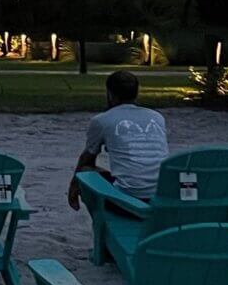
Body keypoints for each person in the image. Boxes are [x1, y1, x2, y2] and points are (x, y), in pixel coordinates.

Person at [68, 70, 169, 210]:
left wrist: (73, 186)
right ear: (136, 93)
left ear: (110, 94)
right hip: (161, 192)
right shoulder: (157, 117)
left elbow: (87, 159)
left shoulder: (102, 120)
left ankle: (102, 216)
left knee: (85, 171)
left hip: (128, 195)